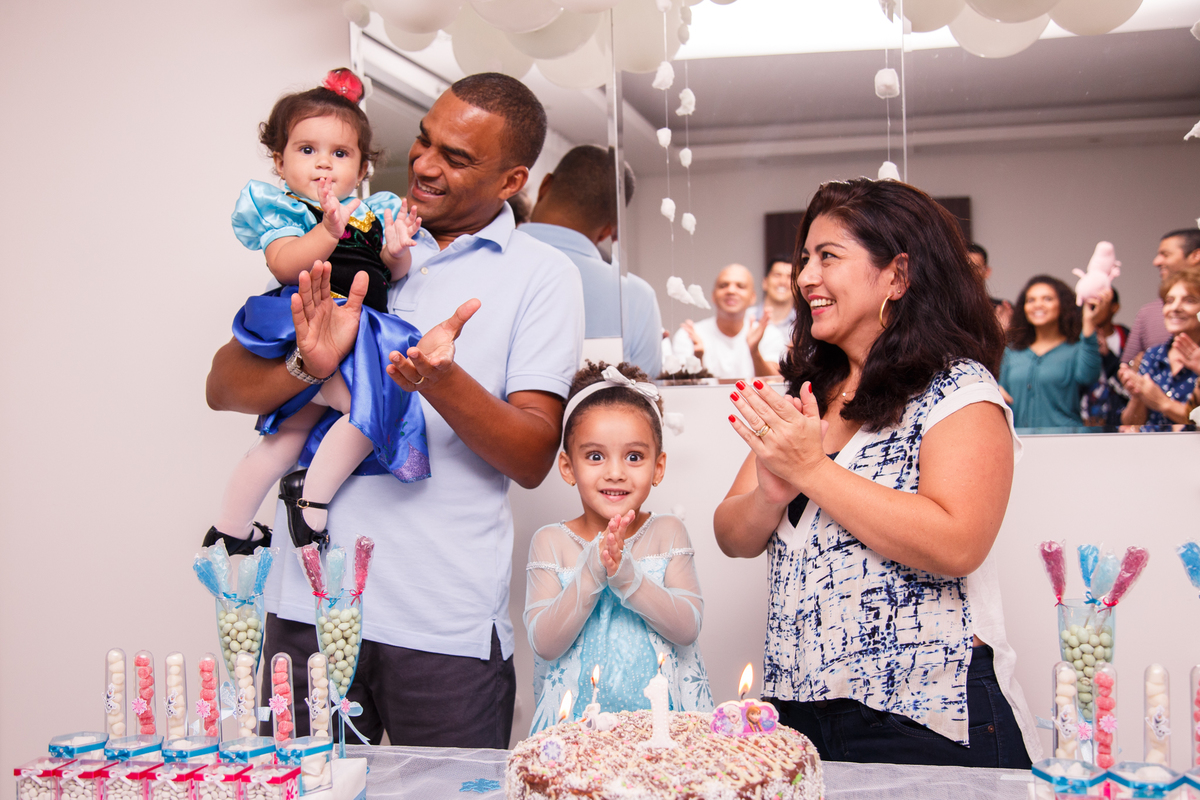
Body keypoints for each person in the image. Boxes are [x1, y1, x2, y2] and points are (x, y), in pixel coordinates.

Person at [206, 72, 585, 748]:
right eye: (422, 140)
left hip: (442, 629)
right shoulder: (342, 229)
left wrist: (438, 380)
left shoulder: (543, 276)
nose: (425, 165)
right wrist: (307, 366)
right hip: (305, 613)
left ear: (511, 181)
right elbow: (224, 385)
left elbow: (532, 455)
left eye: (457, 157)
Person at [713, 178, 1039, 767]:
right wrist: (769, 493)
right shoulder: (804, 396)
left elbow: (958, 540)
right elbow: (732, 536)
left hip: (926, 718)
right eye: (804, 259)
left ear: (897, 275)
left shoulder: (960, 390)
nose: (806, 277)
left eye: (828, 256)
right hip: (798, 716)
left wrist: (812, 470)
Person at [204, 68, 428, 556]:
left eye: (340, 154)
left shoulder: (371, 213)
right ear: (279, 162)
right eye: (307, 150)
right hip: (312, 323)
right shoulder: (287, 211)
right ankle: (310, 500)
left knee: (289, 434)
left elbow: (393, 271)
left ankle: (231, 529)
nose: (324, 165)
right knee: (372, 412)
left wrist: (396, 250)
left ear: (362, 169)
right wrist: (327, 230)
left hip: (356, 330)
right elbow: (284, 263)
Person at [524, 361, 712, 734]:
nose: (615, 472)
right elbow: (545, 643)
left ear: (658, 468)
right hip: (578, 731)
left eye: (634, 456)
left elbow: (687, 628)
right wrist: (593, 570)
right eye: (595, 456)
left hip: (664, 731)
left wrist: (628, 577)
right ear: (567, 466)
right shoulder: (552, 542)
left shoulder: (667, 532)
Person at [522, 145, 663, 378]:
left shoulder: (479, 263)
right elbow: (645, 400)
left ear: (544, 186)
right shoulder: (636, 297)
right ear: (609, 230)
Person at [999, 276, 1102, 430]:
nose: (1038, 305)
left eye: (1047, 299)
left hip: (1064, 442)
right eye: (1031, 300)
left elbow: (1089, 376)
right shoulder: (1012, 353)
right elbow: (1001, 392)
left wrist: (1088, 323)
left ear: (1063, 305)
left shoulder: (1076, 350)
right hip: (1019, 444)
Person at [1118, 267, 1200, 429]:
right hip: (1153, 451)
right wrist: (1138, 394)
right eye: (1169, 301)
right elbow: (1130, 424)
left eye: (1189, 300)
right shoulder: (1153, 354)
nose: (1175, 308)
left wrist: (1162, 402)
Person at [671, 264, 786, 380]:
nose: (731, 291)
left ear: (753, 297)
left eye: (740, 286)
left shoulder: (770, 335)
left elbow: (775, 383)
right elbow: (682, 389)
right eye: (723, 286)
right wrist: (697, 358)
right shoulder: (689, 335)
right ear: (713, 296)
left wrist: (755, 352)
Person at [1120, 229, 1200, 363]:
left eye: (1165, 254)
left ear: (1196, 256)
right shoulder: (1148, 313)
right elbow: (1126, 367)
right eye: (1169, 300)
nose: (1156, 262)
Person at [1081, 287, 1130, 427]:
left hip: (1119, 425)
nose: (1094, 306)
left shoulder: (1127, 337)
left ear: (1115, 307)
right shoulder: (1076, 340)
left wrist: (1108, 356)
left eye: (1101, 301)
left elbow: (1130, 386)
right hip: (1081, 425)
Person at [748, 255, 797, 340]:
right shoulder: (746, 318)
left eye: (790, 277)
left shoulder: (804, 326)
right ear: (765, 282)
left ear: (797, 286)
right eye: (777, 275)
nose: (783, 282)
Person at [968, 242, 1012, 330]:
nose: (969, 272)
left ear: (987, 272)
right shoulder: (945, 308)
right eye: (964, 267)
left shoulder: (1001, 309)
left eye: (975, 268)